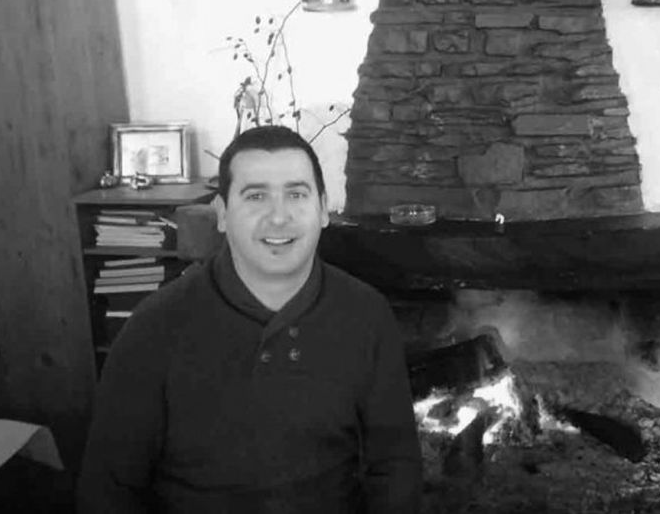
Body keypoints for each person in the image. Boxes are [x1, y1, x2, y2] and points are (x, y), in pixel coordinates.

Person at [78, 126, 422, 513]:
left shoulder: (367, 314)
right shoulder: (153, 328)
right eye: (256, 196)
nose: (279, 217)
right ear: (222, 214)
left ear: (323, 209)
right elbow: (108, 490)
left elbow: (395, 465)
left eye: (296, 194)